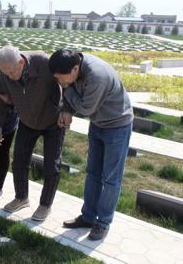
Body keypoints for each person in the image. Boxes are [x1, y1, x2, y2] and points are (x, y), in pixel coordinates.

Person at [49, 49, 133, 241]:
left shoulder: (97, 77)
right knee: (93, 172)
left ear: (75, 69)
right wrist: (67, 108)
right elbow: (73, 95)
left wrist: (68, 91)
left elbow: (87, 108)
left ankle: (103, 223)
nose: (60, 83)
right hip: (98, 124)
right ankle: (88, 217)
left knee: (111, 178)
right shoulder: (72, 66)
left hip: (117, 126)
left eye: (62, 79)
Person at [0, 46, 64, 221]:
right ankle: (21, 197)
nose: (8, 76)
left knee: (51, 166)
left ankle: (45, 205)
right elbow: (0, 97)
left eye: (11, 72)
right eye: (5, 73)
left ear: (21, 63)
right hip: (26, 120)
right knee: (19, 162)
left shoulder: (44, 63)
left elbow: (67, 84)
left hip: (53, 121)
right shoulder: (4, 73)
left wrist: (67, 111)